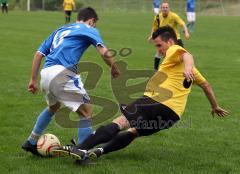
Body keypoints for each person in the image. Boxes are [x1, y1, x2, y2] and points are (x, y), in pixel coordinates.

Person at [53, 26, 229, 161]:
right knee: (134, 132)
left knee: (120, 122)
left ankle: (81, 148)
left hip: (155, 103)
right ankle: (99, 151)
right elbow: (206, 85)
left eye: (159, 45)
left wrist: (188, 65)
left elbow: (187, 55)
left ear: (170, 42)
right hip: (173, 116)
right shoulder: (192, 71)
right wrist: (215, 106)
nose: (159, 50)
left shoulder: (174, 50)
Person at [21, 7, 120, 156]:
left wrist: (33, 80)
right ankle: (82, 151)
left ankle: (31, 141)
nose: (94, 27)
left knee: (53, 108)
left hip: (46, 74)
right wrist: (114, 67)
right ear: (91, 21)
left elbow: (38, 54)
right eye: (94, 24)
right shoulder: (88, 28)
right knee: (87, 112)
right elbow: (104, 51)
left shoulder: (60, 30)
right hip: (63, 74)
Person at [148, 1, 190, 71]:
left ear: (169, 8)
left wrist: (186, 33)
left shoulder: (174, 16)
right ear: (161, 9)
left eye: (166, 7)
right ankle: (155, 70)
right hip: (164, 39)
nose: (165, 9)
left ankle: (186, 69)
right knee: (159, 52)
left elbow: (183, 24)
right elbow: (154, 27)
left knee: (183, 54)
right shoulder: (158, 17)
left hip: (175, 38)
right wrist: (151, 36)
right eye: (163, 7)